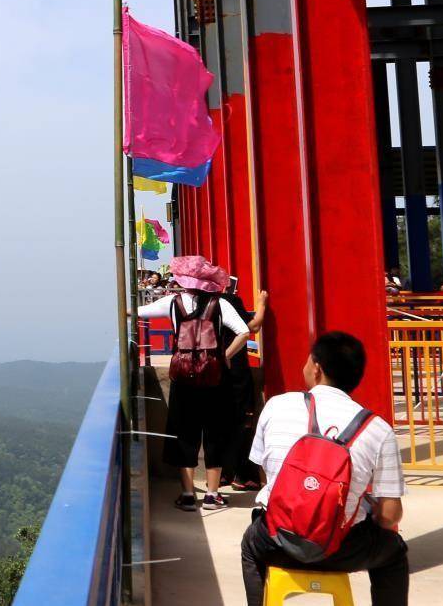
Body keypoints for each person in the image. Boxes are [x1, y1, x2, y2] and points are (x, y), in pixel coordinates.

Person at [240, 331, 406, 606]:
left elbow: (266, 475)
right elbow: (390, 516)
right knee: (394, 552)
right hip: (342, 549)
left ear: (316, 369)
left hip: (277, 541)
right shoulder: (378, 429)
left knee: (250, 545)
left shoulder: (276, 405)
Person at [136, 254, 251, 512]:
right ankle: (212, 496)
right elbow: (244, 331)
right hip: (215, 379)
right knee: (215, 434)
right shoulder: (220, 304)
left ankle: (188, 495)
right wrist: (224, 356)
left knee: (184, 433)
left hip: (183, 379)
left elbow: (134, 311)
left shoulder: (172, 302)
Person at [221, 277, 271, 490]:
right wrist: (261, 304)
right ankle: (243, 475)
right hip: (236, 372)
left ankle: (222, 474)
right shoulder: (230, 301)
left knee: (220, 423)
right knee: (242, 423)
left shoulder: (203, 303)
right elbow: (254, 326)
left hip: (214, 372)